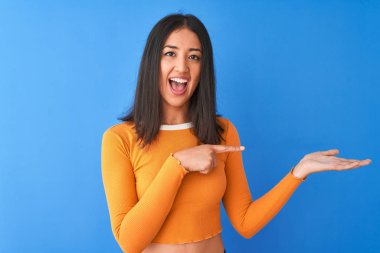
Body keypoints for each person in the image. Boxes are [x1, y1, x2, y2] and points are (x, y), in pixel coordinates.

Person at [101, 13, 372, 253]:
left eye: (194, 57)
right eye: (170, 53)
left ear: (202, 69)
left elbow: (244, 223)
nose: (182, 67)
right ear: (152, 62)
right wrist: (178, 164)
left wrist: (298, 173)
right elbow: (130, 242)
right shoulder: (120, 139)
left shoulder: (222, 132)